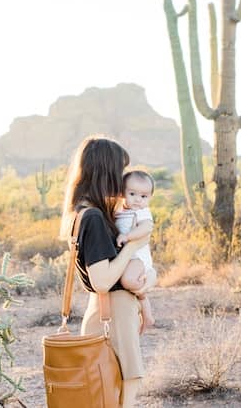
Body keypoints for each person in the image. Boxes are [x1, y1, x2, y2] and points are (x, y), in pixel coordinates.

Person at [60, 136, 156, 408]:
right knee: (128, 377)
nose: (124, 179)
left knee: (103, 383)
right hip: (113, 307)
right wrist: (133, 245)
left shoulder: (84, 212)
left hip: (103, 309)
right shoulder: (93, 217)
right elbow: (102, 280)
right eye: (120, 171)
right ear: (106, 171)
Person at [115, 170, 156, 331]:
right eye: (132, 194)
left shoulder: (142, 212)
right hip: (127, 257)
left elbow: (146, 227)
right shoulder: (119, 211)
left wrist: (128, 236)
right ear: (122, 193)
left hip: (137, 257)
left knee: (128, 281)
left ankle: (146, 304)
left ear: (150, 198)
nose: (138, 199)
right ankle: (142, 314)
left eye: (144, 196)